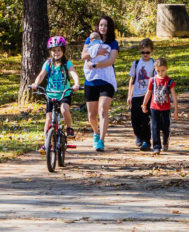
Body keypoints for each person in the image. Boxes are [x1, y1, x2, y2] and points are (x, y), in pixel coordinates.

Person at [30, 36, 80, 145]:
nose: (56, 53)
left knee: (64, 109)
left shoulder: (67, 63)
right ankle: (46, 143)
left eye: (58, 50)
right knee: (48, 119)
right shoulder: (48, 63)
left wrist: (76, 84)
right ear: (50, 52)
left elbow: (73, 73)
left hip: (64, 93)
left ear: (63, 51)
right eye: (54, 50)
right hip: (51, 94)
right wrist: (36, 83)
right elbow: (41, 75)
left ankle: (69, 128)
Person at [81, 15, 119, 152]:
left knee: (103, 109)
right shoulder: (90, 39)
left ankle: (101, 140)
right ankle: (96, 133)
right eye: (101, 25)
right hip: (91, 80)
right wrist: (97, 50)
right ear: (98, 26)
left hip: (106, 80)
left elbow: (110, 61)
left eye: (106, 26)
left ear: (110, 28)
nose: (103, 28)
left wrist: (96, 64)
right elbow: (83, 56)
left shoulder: (113, 43)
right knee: (91, 115)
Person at [141, 57, 178, 154]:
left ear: (167, 68)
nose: (160, 73)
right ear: (155, 69)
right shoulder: (152, 80)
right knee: (155, 127)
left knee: (166, 127)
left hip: (165, 108)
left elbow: (173, 96)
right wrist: (144, 104)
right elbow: (148, 93)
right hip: (154, 108)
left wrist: (176, 110)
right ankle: (156, 146)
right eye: (158, 71)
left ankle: (165, 142)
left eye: (163, 70)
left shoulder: (169, 81)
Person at [126, 38, 155, 151]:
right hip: (136, 95)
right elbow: (132, 79)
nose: (145, 54)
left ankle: (146, 141)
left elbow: (157, 80)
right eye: (143, 52)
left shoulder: (153, 64)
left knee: (145, 120)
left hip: (148, 95)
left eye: (147, 52)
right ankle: (138, 135)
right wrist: (130, 94)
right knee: (135, 119)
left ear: (151, 51)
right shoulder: (136, 63)